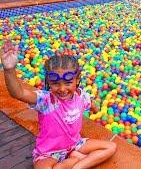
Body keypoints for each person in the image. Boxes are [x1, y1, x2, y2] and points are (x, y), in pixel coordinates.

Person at [1, 40, 116, 169]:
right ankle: (75, 160)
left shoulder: (81, 96)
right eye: (56, 83)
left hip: (75, 145)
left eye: (68, 83)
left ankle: (76, 165)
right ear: (48, 82)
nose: (62, 89)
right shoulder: (45, 100)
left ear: (77, 80)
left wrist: (96, 109)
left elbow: (92, 104)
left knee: (111, 147)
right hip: (49, 154)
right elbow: (19, 93)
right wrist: (9, 69)